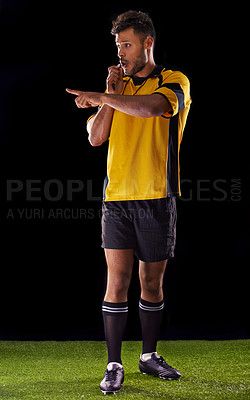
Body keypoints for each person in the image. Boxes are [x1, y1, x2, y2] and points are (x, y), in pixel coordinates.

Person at [66, 10, 191, 395]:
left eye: (127, 44)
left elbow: (152, 109)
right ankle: (114, 363)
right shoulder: (116, 90)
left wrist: (104, 95)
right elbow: (96, 138)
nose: (120, 52)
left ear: (147, 43)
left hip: (156, 195)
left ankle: (148, 356)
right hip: (116, 199)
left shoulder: (173, 81)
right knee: (116, 281)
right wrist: (111, 92)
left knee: (150, 283)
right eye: (117, 45)